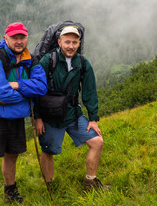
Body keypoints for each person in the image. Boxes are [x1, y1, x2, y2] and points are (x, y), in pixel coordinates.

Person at [0, 22, 48, 205]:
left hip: (15, 118)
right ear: (6, 38)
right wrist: (26, 95)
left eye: (22, 37)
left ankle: (10, 192)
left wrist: (17, 85)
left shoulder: (31, 60)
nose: (19, 41)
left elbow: (42, 87)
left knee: (12, 155)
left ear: (27, 38)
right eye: (14, 37)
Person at [34, 26, 110, 191]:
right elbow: (36, 90)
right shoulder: (48, 60)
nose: (70, 46)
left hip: (72, 114)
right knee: (48, 151)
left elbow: (89, 92)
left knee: (97, 142)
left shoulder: (82, 63)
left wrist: (93, 119)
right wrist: (38, 118)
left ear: (79, 43)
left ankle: (90, 183)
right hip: (50, 116)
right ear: (59, 42)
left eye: (74, 42)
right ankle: (50, 186)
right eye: (67, 42)